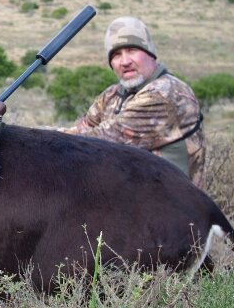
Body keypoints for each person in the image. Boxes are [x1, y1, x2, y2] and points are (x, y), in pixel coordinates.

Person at [61, 16, 205, 187]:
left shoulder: (167, 93)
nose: (125, 61)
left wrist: (32, 139)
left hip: (169, 206)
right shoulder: (113, 94)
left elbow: (99, 141)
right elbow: (82, 129)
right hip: (128, 202)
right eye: (116, 55)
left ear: (151, 54)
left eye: (132, 50)